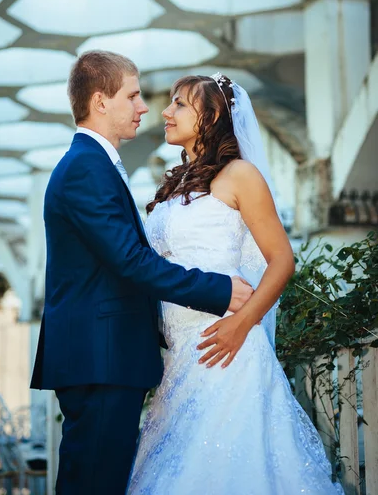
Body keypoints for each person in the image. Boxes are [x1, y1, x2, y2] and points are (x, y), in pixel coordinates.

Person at [30, 52, 254, 495]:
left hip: (105, 356)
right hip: (100, 358)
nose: (145, 107)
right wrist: (218, 289)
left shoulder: (93, 165)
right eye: (132, 96)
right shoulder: (84, 169)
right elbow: (130, 261)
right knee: (93, 483)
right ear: (100, 102)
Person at [128, 73, 344, 494]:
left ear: (209, 116)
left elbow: (282, 259)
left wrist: (241, 323)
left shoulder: (241, 175)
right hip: (179, 360)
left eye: (178, 104)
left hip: (227, 352)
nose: (166, 113)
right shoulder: (175, 187)